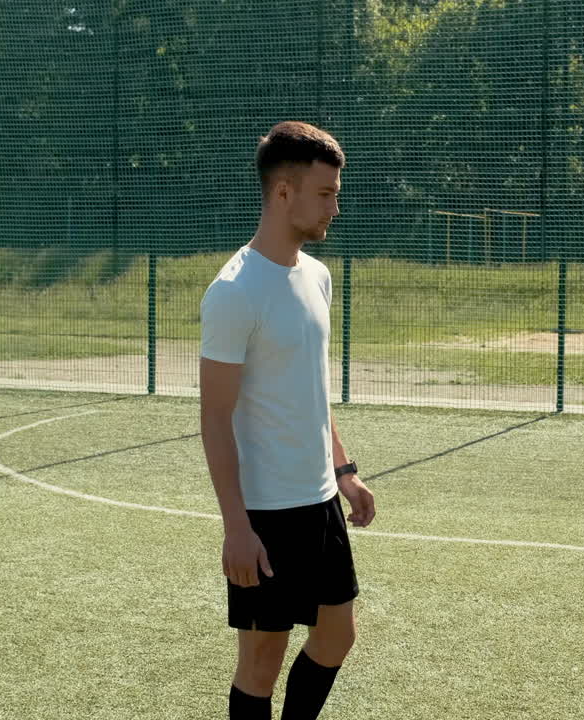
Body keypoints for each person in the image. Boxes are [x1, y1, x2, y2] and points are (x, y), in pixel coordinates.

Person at [199, 121, 376, 720]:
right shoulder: (234, 292)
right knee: (261, 661)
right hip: (265, 514)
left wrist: (345, 470)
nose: (336, 205)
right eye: (325, 194)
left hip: (320, 499)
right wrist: (235, 527)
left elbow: (312, 391)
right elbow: (215, 417)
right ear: (284, 193)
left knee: (337, 636)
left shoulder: (317, 276)